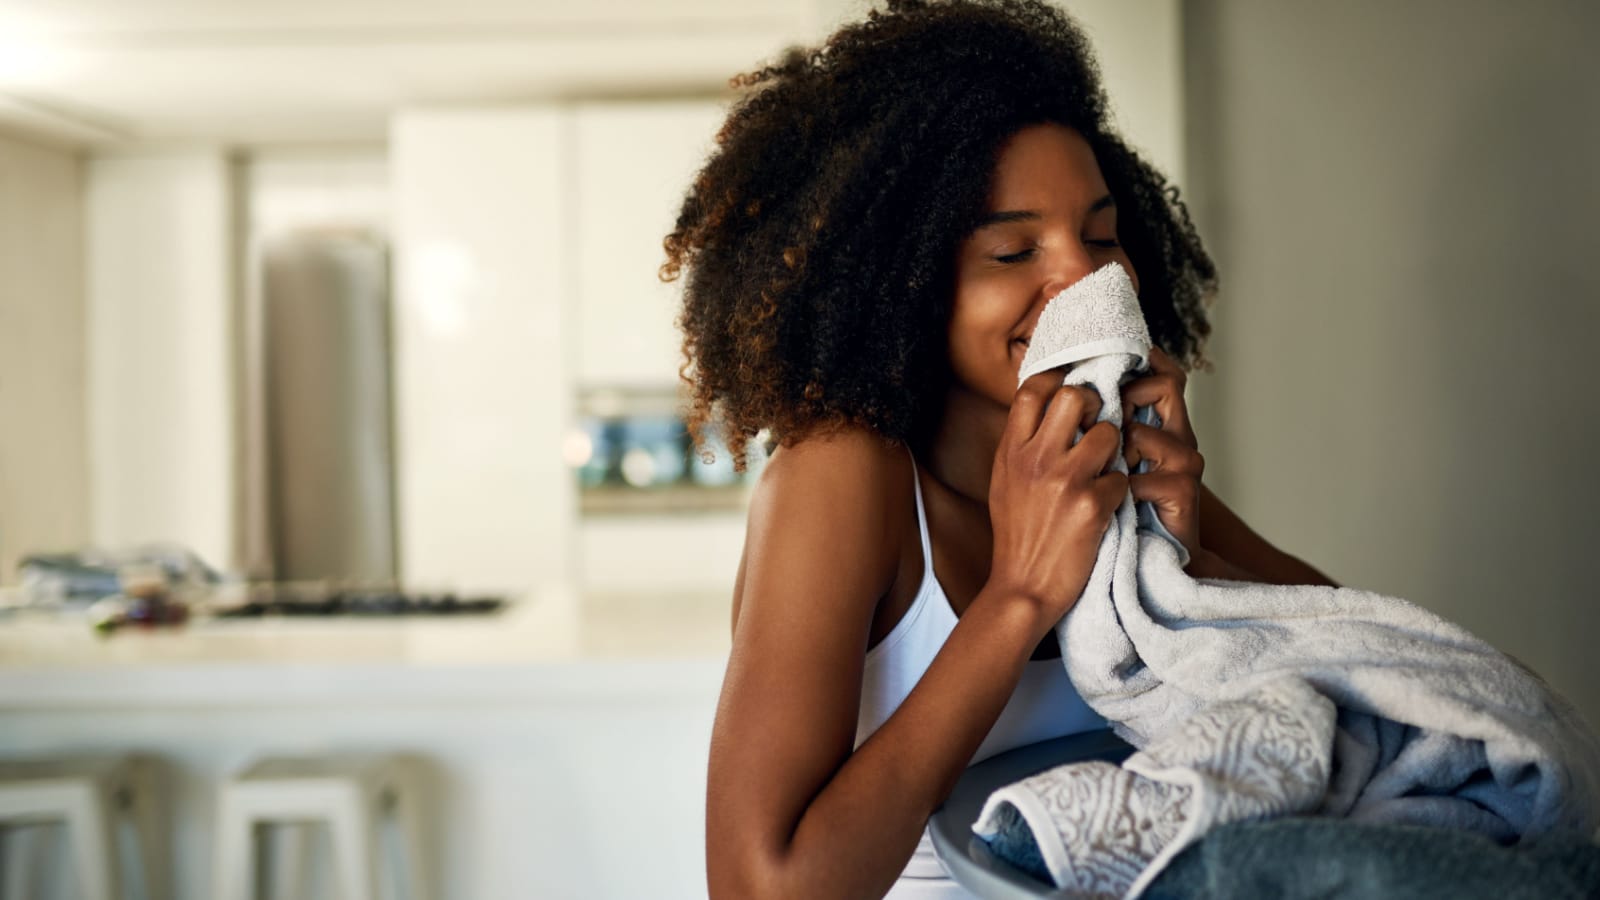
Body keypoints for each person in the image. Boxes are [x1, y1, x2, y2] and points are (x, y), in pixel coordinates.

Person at [661, 1, 1335, 896]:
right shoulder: (847, 482)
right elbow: (758, 884)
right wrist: (1020, 595)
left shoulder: (1112, 468)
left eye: (1100, 235)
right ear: (899, 283)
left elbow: (1380, 675)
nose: (1087, 277)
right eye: (1014, 250)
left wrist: (1190, 562)